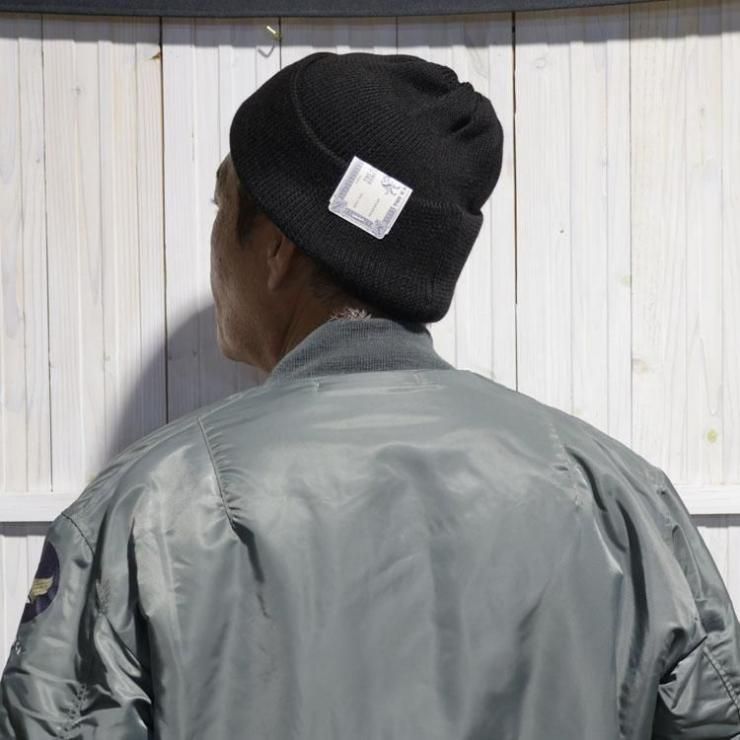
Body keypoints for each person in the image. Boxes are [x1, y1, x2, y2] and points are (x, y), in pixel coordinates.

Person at [1, 51, 739, 740]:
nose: (214, 243)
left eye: (221, 209)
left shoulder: (147, 509)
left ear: (276, 246)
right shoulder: (622, 501)